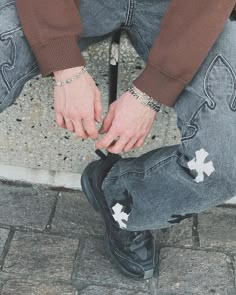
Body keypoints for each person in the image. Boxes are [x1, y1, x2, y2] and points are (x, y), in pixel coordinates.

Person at [1, 0, 236, 280]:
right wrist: (64, 65)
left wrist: (151, 91)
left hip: (189, 10)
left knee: (226, 161)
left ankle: (123, 200)